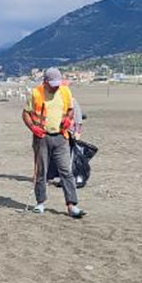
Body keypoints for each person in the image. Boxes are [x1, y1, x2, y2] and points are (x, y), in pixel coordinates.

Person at [22, 67, 86, 219]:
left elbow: (70, 109)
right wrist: (33, 128)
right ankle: (40, 203)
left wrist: (68, 119)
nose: (56, 87)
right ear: (45, 82)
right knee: (41, 172)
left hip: (61, 137)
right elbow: (25, 114)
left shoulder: (65, 91)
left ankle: (72, 205)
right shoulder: (35, 93)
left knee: (66, 171)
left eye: (58, 83)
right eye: (53, 84)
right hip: (41, 137)